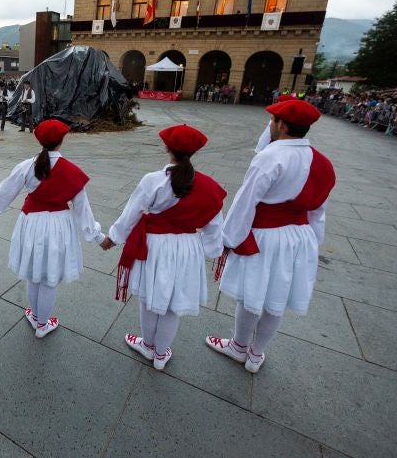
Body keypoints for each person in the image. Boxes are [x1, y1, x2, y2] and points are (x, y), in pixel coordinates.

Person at [206, 100, 335, 373]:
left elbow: (246, 201)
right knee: (277, 297)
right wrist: (313, 241)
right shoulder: (323, 163)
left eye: (272, 120)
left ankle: (239, 346)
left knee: (252, 293)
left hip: (266, 236)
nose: (270, 125)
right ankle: (256, 355)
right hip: (300, 237)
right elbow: (318, 210)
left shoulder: (271, 156)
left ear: (282, 125)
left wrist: (229, 239)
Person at [100, 125, 225, 370]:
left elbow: (131, 214)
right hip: (187, 247)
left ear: (167, 147)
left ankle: (147, 345)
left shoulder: (153, 180)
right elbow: (214, 226)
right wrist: (208, 249)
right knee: (173, 305)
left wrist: (112, 238)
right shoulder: (210, 186)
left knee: (149, 298)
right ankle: (161, 353)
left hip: (154, 245)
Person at [0, 119, 104, 338]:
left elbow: (3, 193)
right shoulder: (72, 171)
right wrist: (98, 237)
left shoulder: (27, 166)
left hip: (31, 223)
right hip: (58, 226)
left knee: (33, 274)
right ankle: (42, 324)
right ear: (62, 141)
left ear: (40, 141)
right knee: (49, 277)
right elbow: (83, 210)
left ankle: (35, 316)